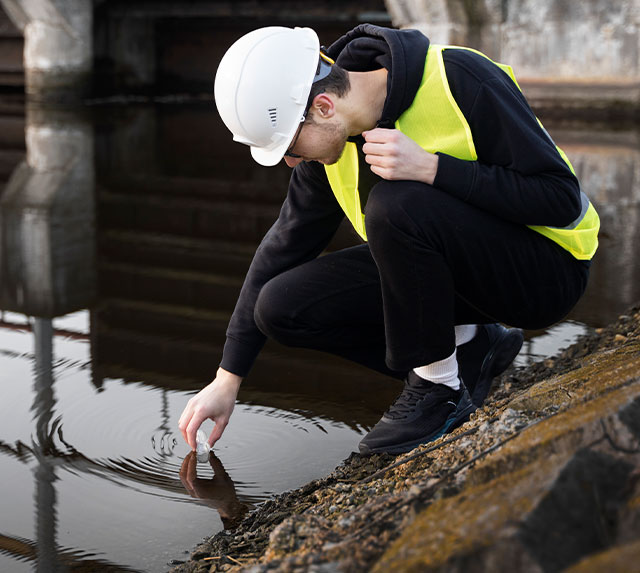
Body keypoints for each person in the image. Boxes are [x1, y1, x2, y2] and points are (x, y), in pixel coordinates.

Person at [178, 24, 599, 455]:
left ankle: (438, 392)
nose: (289, 161)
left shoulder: (461, 77)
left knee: (395, 204)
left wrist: (435, 169)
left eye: (289, 144)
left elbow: (560, 198)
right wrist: (227, 378)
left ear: (323, 106)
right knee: (281, 307)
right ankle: (471, 349)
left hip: (546, 272)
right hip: (467, 282)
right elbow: (283, 245)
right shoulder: (331, 143)